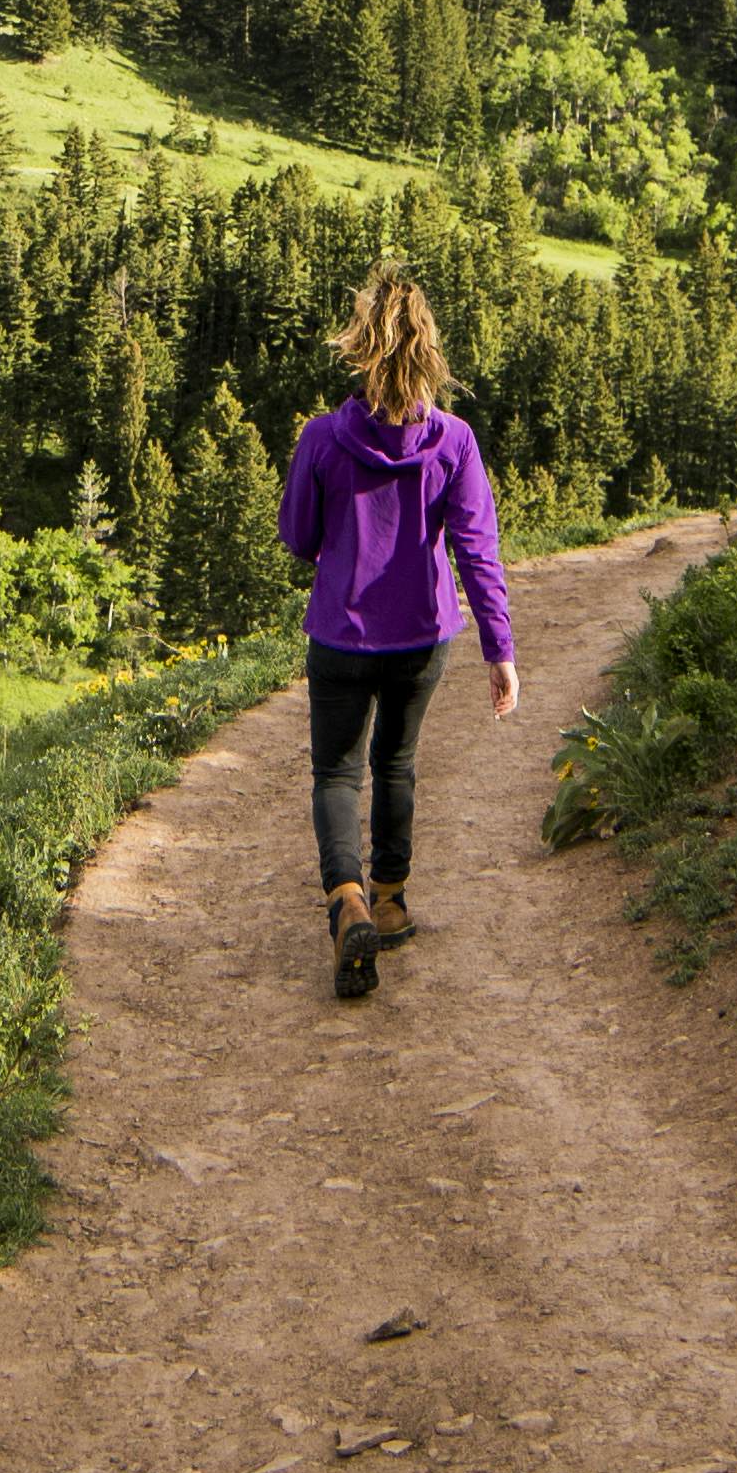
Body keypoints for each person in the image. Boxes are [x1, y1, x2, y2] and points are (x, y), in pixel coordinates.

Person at [273, 261, 519, 1001]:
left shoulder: (322, 438)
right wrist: (499, 648)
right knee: (397, 763)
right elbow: (477, 550)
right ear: (427, 352)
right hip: (421, 635)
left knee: (337, 772)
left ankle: (345, 900)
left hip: (341, 633)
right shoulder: (455, 442)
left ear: (359, 345)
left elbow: (297, 536)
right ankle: (389, 898)